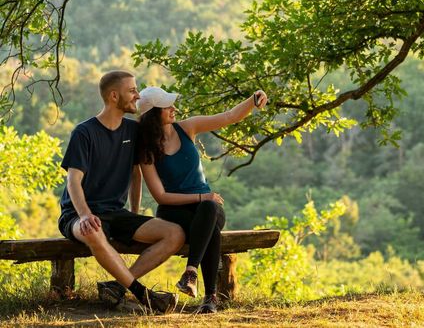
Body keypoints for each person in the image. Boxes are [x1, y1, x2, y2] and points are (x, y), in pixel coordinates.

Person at [58, 70, 186, 313]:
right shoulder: (84, 133)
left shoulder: (132, 130)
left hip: (117, 213)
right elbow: (73, 181)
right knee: (94, 230)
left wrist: (135, 214)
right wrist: (85, 215)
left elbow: (136, 174)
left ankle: (116, 287)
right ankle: (144, 295)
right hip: (77, 215)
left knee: (175, 233)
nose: (137, 95)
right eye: (132, 90)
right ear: (114, 96)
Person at [137, 86, 268, 314]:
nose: (173, 108)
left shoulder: (187, 128)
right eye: (167, 106)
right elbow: (160, 196)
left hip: (206, 208)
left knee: (208, 210)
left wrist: (253, 100)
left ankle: (190, 272)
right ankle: (210, 298)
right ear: (153, 114)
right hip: (173, 213)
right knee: (209, 226)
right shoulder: (146, 150)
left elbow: (230, 117)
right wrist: (201, 195)